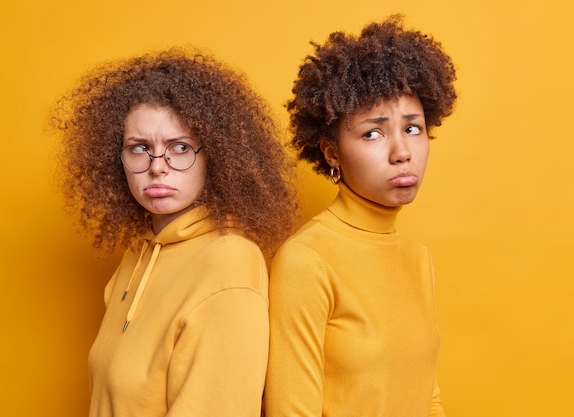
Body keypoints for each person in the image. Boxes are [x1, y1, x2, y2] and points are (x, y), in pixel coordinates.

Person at [53, 48, 297, 417]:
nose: (157, 168)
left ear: (215, 155)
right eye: (139, 148)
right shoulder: (138, 256)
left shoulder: (229, 262)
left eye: (179, 148)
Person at [263, 15, 457, 417]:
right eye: (373, 133)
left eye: (413, 128)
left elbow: (427, 397)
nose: (402, 152)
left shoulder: (417, 259)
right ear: (332, 153)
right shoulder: (306, 261)